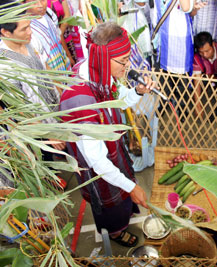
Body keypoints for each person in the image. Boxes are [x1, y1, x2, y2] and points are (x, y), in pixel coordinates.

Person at [60, 22, 155, 247]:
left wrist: (137, 92)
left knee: (122, 189)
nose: (127, 66)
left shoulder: (98, 71)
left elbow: (118, 101)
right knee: (109, 201)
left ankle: (122, 216)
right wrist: (132, 187)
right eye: (122, 61)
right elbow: (97, 162)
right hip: (99, 167)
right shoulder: (81, 100)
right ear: (103, 58)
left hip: (112, 149)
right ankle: (114, 233)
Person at [24, 0, 71, 72]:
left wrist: (68, 56)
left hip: (63, 66)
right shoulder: (26, 26)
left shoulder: (49, 13)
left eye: (42, 0)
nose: (40, 5)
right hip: (51, 74)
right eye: (34, 2)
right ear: (24, 3)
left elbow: (58, 37)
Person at [192, 31, 217, 117]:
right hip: (208, 77)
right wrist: (197, 105)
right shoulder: (197, 58)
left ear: (213, 44)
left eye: (207, 51)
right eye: (201, 52)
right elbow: (197, 80)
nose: (205, 55)